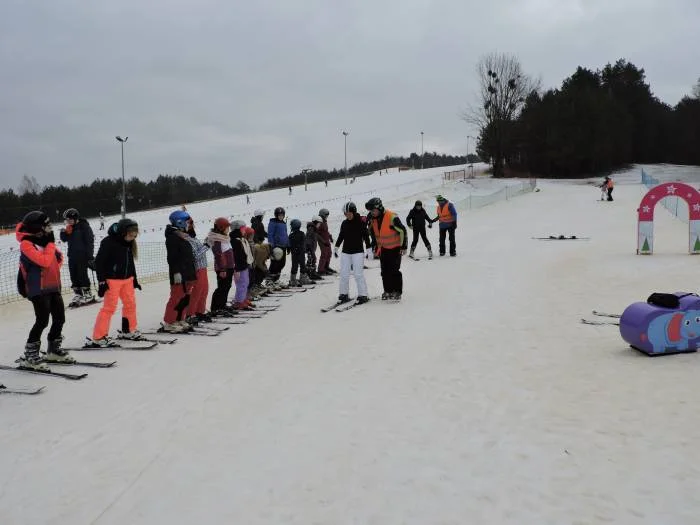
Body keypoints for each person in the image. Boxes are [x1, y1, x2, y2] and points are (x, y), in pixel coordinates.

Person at [15, 211, 73, 370]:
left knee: (60, 318)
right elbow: (45, 261)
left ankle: (53, 350)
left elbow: (58, 259)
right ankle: (30, 355)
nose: (50, 227)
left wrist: (52, 265)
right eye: (46, 225)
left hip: (53, 286)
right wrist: (50, 245)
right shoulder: (27, 244)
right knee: (42, 321)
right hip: (37, 289)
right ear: (37, 228)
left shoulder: (44, 241)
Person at [88, 218, 141, 347]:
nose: (132, 237)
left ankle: (128, 330)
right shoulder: (108, 242)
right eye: (131, 234)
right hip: (112, 280)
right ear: (123, 232)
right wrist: (102, 282)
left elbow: (130, 263)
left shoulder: (128, 243)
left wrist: (134, 279)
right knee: (109, 308)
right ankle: (99, 337)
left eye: (135, 235)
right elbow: (99, 263)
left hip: (127, 279)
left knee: (130, 304)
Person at [365, 197, 407, 300]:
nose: (372, 213)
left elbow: (402, 231)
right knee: (384, 271)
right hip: (383, 249)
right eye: (371, 211)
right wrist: (375, 245)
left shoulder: (391, 217)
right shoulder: (372, 218)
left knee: (394, 270)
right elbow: (373, 233)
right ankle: (387, 291)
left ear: (379, 208)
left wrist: (403, 246)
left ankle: (397, 291)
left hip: (395, 248)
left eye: (373, 210)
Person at [162, 210, 197, 333]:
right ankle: (169, 322)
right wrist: (176, 272)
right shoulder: (172, 238)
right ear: (179, 222)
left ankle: (179, 319)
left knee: (185, 298)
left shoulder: (183, 236)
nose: (189, 224)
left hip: (188, 272)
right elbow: (172, 257)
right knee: (176, 297)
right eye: (187, 222)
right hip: (179, 273)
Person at [334, 202, 371, 304]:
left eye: (349, 213)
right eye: (345, 213)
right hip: (346, 252)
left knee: (358, 274)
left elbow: (366, 236)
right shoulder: (344, 223)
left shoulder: (360, 222)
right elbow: (341, 235)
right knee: (344, 274)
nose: (347, 215)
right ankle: (343, 294)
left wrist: (369, 249)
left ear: (354, 212)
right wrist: (336, 246)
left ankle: (363, 295)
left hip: (358, 252)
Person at [60, 208, 95, 306]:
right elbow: (64, 239)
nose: (67, 221)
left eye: (69, 219)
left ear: (75, 218)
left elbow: (89, 242)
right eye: (66, 220)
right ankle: (78, 294)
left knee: (82, 275)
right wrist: (64, 233)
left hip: (82, 256)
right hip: (72, 256)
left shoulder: (84, 227)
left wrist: (89, 256)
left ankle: (87, 293)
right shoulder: (70, 228)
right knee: (73, 275)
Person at [184, 217, 210, 324]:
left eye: (192, 224)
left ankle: (200, 311)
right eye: (190, 224)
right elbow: (194, 256)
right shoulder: (187, 239)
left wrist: (205, 244)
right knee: (197, 292)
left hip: (203, 268)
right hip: (196, 269)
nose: (192, 226)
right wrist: (206, 246)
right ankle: (190, 313)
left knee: (204, 290)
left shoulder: (192, 237)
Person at [207, 217, 234, 315]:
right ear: (221, 228)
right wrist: (222, 269)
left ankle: (222, 304)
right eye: (227, 227)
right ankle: (216, 307)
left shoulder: (224, 238)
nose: (228, 229)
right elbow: (218, 255)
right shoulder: (217, 240)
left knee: (227, 286)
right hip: (223, 268)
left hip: (229, 267)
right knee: (222, 287)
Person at [230, 220, 253, 309]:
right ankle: (239, 301)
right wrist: (237, 268)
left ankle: (243, 298)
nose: (244, 230)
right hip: (239, 267)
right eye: (243, 229)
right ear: (237, 230)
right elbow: (236, 256)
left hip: (244, 265)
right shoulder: (235, 241)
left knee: (246, 282)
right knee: (241, 284)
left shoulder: (242, 239)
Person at [267, 207, 289, 281]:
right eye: (279, 215)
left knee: (282, 263)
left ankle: (276, 279)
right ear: (276, 215)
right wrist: (272, 245)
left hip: (283, 246)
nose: (281, 216)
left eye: (282, 215)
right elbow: (270, 234)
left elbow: (285, 234)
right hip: (276, 246)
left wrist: (288, 245)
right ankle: (270, 280)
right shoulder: (273, 223)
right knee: (275, 264)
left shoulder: (283, 223)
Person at [288, 219, 312, 286]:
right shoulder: (302, 233)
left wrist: (289, 249)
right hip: (301, 252)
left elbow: (289, 244)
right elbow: (304, 243)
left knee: (295, 266)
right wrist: (305, 249)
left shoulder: (291, 235)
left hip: (295, 253)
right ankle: (302, 278)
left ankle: (293, 279)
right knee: (302, 265)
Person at [316, 208, 335, 274]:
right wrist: (323, 241)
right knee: (324, 254)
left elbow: (326, 231)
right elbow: (317, 233)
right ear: (322, 215)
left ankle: (326, 267)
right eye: (326, 215)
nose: (327, 216)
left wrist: (330, 237)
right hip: (322, 241)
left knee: (329, 253)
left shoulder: (324, 222)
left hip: (327, 240)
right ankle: (321, 269)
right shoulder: (319, 222)